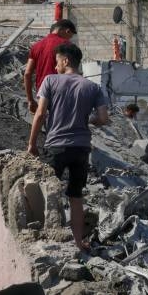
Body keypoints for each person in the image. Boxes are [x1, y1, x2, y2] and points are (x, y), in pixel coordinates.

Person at [27, 43, 109, 251]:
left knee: (48, 192)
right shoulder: (92, 87)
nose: (55, 67)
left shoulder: (51, 81)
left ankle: (49, 240)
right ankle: (78, 242)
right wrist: (86, 120)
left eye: (56, 62)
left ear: (65, 61)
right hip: (81, 148)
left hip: (56, 146)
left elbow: (40, 114)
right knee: (76, 195)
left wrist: (32, 143)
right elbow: (103, 118)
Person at [25, 19, 77, 114]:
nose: (69, 39)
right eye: (70, 36)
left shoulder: (36, 46)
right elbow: (72, 71)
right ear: (67, 31)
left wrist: (30, 100)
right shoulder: (67, 46)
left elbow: (27, 74)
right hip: (62, 94)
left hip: (41, 94)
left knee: (43, 121)